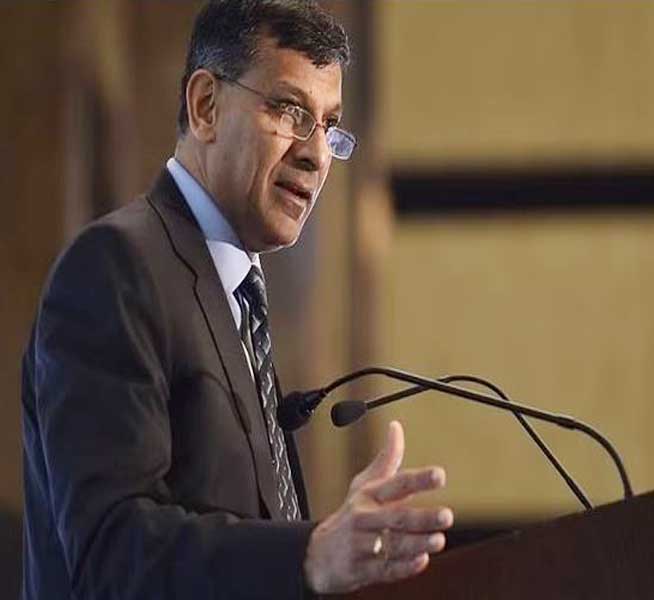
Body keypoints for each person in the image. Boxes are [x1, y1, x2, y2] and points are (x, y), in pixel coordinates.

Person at [20, 1, 453, 598]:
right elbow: (111, 553)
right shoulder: (116, 268)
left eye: (329, 126)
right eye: (290, 111)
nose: (316, 154)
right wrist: (309, 551)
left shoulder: (240, 300)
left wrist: (329, 555)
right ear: (206, 106)